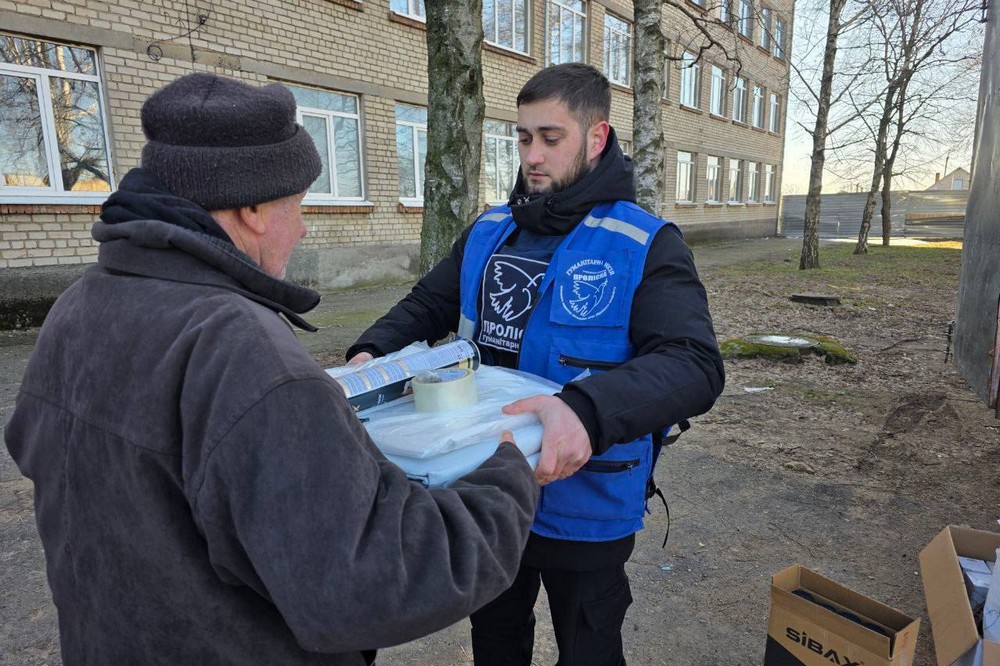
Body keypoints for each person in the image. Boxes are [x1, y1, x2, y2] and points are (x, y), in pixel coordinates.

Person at [3, 73, 539, 666]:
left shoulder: (80, 304)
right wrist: (508, 479)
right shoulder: (248, 359)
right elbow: (377, 581)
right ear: (253, 208)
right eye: (298, 203)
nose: (304, 226)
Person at [346, 63, 726, 665]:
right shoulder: (490, 231)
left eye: (551, 138)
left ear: (596, 139)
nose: (533, 155)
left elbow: (694, 364)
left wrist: (585, 409)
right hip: (486, 490)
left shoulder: (644, 242)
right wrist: (370, 354)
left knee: (588, 646)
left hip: (586, 497)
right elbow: (426, 305)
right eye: (523, 138)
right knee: (495, 638)